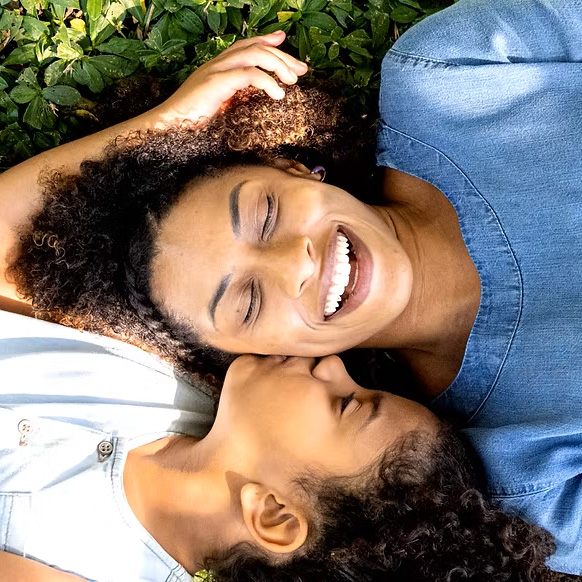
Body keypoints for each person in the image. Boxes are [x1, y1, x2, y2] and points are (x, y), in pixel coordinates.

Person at [0, 0, 581, 574]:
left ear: (296, 168)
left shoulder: (457, 79)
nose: (295, 263)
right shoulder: (532, 472)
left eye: (267, 213)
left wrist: (165, 128)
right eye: (249, 302)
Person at [0, 309, 554, 581]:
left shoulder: (81, 571)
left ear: (274, 513)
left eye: (346, 403)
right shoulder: (181, 375)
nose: (336, 364)